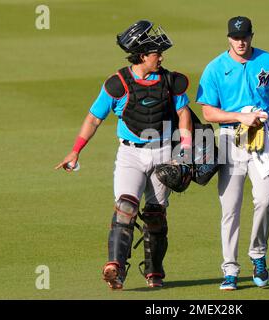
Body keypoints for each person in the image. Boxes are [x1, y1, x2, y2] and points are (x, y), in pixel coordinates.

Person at [55, 20, 192, 289]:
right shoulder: (117, 84)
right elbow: (94, 119)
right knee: (126, 208)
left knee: (155, 215)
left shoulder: (171, 80)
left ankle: (155, 272)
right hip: (130, 154)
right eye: (156, 54)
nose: (161, 57)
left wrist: (185, 150)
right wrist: (75, 151)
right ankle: (115, 267)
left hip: (164, 151)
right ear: (142, 56)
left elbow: (183, 113)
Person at [196, 16, 269, 290]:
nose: (240, 41)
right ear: (228, 38)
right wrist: (239, 117)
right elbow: (207, 112)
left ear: (251, 36)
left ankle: (258, 254)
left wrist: (260, 118)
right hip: (230, 140)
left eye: (245, 36)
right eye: (235, 37)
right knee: (230, 208)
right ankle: (230, 269)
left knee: (265, 199)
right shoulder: (214, 68)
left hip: (263, 138)